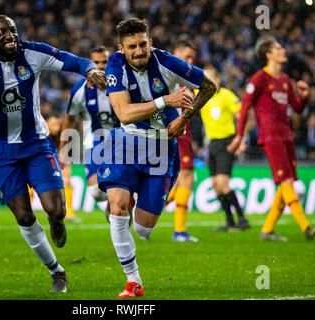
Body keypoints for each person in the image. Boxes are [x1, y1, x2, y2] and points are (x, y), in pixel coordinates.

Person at [0, 15, 106, 293]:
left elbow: (76, 62)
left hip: (35, 144)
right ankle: (57, 272)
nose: (10, 36)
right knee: (23, 215)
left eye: (13, 30)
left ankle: (56, 221)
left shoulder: (33, 53)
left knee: (56, 209)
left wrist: (91, 71)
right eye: (1, 32)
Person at [98, 18, 216, 298]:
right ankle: (133, 281)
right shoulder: (115, 65)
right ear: (121, 48)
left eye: (142, 44)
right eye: (131, 47)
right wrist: (168, 101)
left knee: (143, 228)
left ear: (150, 42)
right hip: (126, 142)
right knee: (117, 207)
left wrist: (185, 117)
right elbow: (124, 113)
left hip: (163, 148)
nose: (138, 51)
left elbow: (209, 86)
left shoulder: (167, 63)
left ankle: (132, 199)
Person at [228, 37, 315, 241]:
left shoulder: (285, 80)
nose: (283, 50)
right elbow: (245, 108)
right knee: (286, 180)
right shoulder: (259, 78)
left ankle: (267, 229)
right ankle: (305, 226)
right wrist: (240, 136)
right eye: (278, 48)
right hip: (270, 136)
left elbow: (297, 108)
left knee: (286, 182)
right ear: (268, 54)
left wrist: (304, 96)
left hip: (287, 136)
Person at [59, 46, 120, 221]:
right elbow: (69, 119)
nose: (101, 66)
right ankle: (118, 200)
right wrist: (63, 149)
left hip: (123, 141)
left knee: (121, 187)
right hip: (94, 143)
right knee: (96, 193)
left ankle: (122, 201)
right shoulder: (79, 90)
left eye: (104, 62)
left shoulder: (122, 84)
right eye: (96, 63)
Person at [199, 66, 250, 231]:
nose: (207, 80)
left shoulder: (227, 96)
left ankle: (242, 219)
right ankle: (230, 221)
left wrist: (240, 139)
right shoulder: (201, 96)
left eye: (210, 77)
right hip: (212, 144)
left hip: (226, 142)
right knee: (215, 184)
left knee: (223, 183)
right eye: (204, 77)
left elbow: (241, 116)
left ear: (218, 79)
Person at [165, 40, 199, 243]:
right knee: (186, 177)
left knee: (182, 179)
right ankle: (179, 230)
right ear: (175, 53)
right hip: (176, 132)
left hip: (183, 133)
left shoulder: (187, 79)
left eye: (192, 58)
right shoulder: (169, 74)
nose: (190, 61)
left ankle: (148, 210)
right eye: (186, 56)